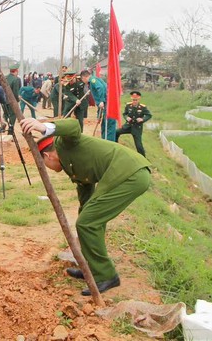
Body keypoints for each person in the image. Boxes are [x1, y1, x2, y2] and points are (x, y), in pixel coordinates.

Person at [20, 117, 151, 296]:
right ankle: (92, 268)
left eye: (45, 164)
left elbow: (73, 125)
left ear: (47, 155)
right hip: (126, 175)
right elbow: (85, 190)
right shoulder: (69, 165)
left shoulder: (66, 144)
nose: (48, 168)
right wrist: (85, 211)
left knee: (87, 223)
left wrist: (44, 127)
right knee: (89, 219)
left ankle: (107, 275)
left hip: (130, 175)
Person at [115, 90, 152, 156]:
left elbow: (149, 115)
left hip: (137, 128)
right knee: (116, 132)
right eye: (133, 100)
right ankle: (116, 146)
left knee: (139, 146)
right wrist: (127, 118)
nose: (134, 101)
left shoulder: (142, 107)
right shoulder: (128, 105)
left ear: (138, 99)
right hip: (128, 126)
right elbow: (124, 114)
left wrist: (142, 119)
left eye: (136, 100)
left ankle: (143, 158)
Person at [84, 71, 117, 141]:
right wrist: (98, 116)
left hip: (110, 103)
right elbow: (99, 102)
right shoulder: (94, 80)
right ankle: (104, 141)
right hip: (106, 103)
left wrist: (102, 100)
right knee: (104, 124)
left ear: (84, 78)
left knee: (109, 124)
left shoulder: (93, 80)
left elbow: (101, 88)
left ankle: (109, 144)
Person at [3, 64, 22, 132]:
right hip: (11, 101)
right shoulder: (16, 79)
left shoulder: (5, 77)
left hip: (3, 100)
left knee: (5, 115)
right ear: (16, 71)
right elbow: (15, 92)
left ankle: (4, 126)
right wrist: (17, 99)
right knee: (12, 116)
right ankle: (10, 131)